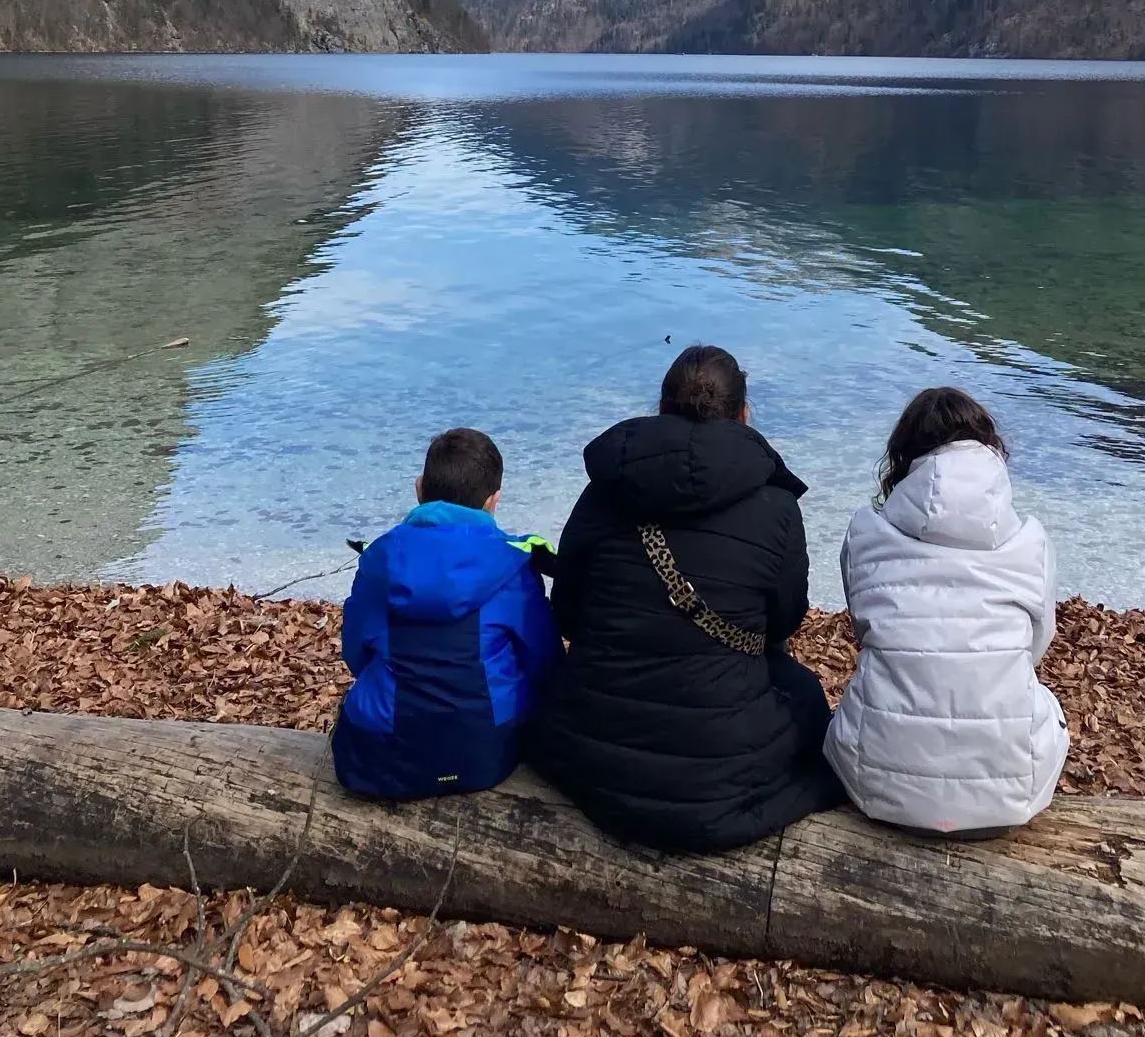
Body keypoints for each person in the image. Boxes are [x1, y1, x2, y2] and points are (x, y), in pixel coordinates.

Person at [528, 344, 845, 853]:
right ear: (743, 414)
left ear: (661, 408)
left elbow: (567, 613)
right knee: (804, 695)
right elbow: (781, 623)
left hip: (593, 751)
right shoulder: (778, 507)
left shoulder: (605, 490)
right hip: (718, 766)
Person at [825, 387, 1068, 835]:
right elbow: (1035, 648)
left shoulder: (865, 531)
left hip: (878, 781)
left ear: (903, 456)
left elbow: (866, 630)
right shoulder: (1031, 541)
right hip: (1011, 791)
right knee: (1044, 702)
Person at [332, 427, 560, 800]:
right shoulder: (515, 564)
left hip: (385, 756)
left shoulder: (378, 560)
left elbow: (355, 654)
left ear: (419, 489)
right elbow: (544, 661)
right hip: (486, 754)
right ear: (494, 500)